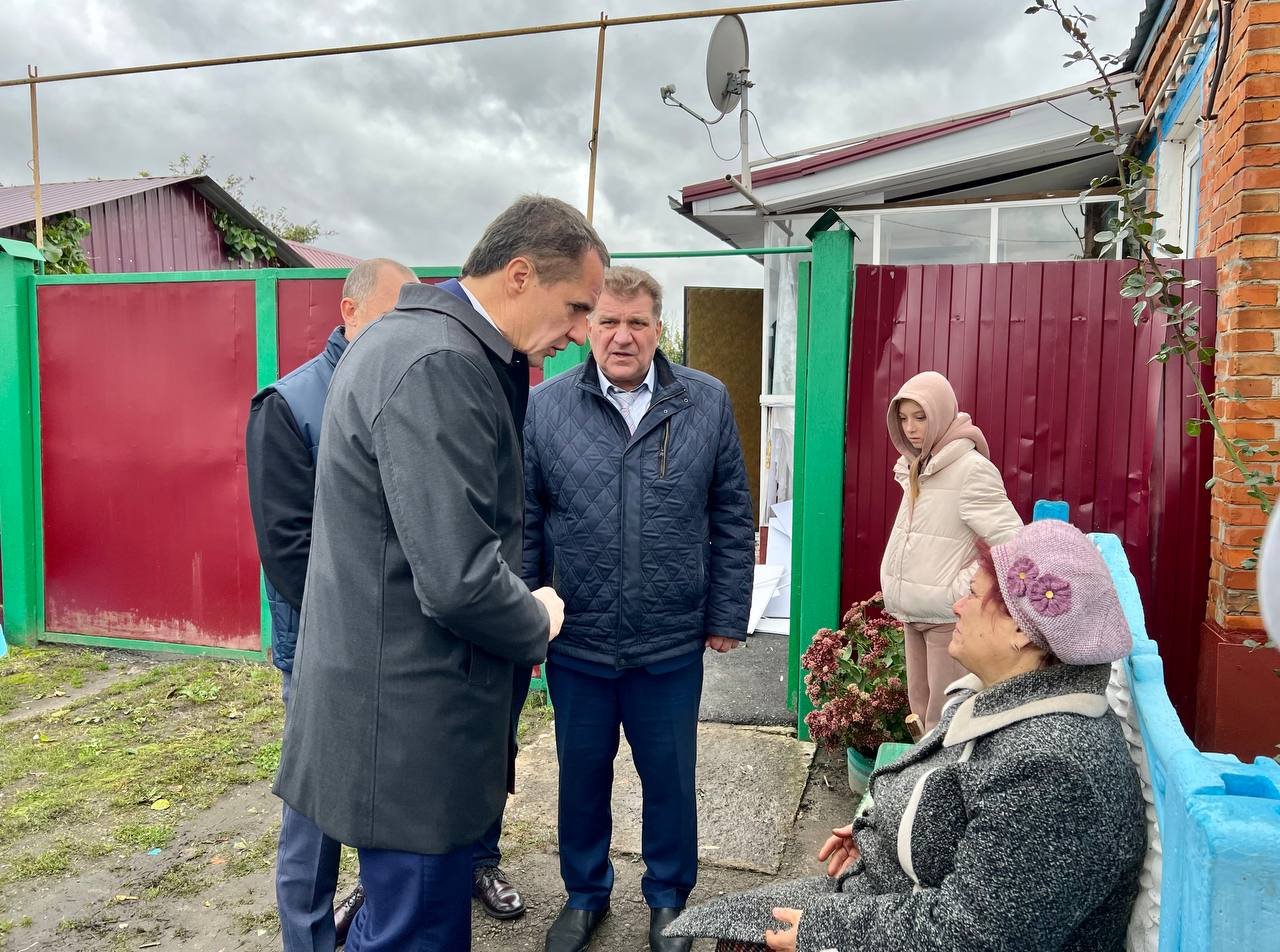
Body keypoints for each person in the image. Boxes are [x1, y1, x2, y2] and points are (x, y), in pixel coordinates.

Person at [274, 195, 609, 952]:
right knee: (411, 935)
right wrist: (537, 617)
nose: (583, 333)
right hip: (410, 733)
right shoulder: (439, 365)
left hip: (396, 717)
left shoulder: (424, 346)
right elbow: (456, 576)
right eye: (578, 307)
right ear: (520, 275)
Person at [665, 518, 1147, 952]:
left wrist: (822, 931)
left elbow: (968, 936)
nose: (957, 606)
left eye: (974, 595)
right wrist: (884, 833)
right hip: (891, 892)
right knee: (736, 928)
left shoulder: (1054, 771)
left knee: (745, 935)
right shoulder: (1022, 706)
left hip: (909, 923)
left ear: (1023, 630)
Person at [522, 265, 755, 952]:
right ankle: (585, 894)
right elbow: (528, 519)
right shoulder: (547, 406)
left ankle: (668, 900)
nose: (622, 337)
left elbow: (732, 514)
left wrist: (725, 615)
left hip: (669, 640)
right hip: (579, 640)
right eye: (608, 322)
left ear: (659, 329)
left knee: (670, 779)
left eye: (637, 323)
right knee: (581, 777)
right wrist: (528, 620)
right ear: (588, 327)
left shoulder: (704, 402)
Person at [246, 257, 416, 951]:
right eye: (390, 316)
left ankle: (371, 924)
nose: (401, 335)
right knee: (314, 817)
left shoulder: (402, 391)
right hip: (322, 650)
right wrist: (351, 630)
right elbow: (287, 549)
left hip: (397, 648)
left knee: (391, 807)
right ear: (348, 312)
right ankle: (308, 939)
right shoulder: (287, 405)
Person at [880, 370, 1022, 730]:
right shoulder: (918, 467)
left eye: (921, 417)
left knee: (946, 721)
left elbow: (1010, 543)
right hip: (914, 615)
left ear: (941, 414)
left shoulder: (970, 470)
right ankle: (925, 785)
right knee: (920, 714)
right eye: (903, 418)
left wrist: (960, 590)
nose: (911, 428)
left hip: (948, 620)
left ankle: (942, 785)